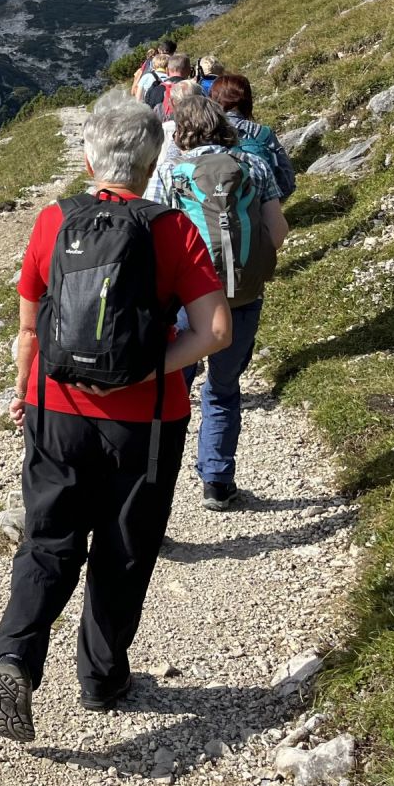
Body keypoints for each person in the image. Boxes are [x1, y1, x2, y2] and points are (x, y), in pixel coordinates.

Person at [0, 91, 231, 742]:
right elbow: (215, 331)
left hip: (54, 408)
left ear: (89, 159)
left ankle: (16, 658)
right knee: (124, 548)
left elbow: (29, 328)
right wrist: (147, 370)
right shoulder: (172, 229)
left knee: (49, 540)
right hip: (145, 422)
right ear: (152, 164)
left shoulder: (53, 222)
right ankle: (101, 679)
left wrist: (24, 391)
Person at [152, 95, 289, 509]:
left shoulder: (172, 172)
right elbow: (278, 231)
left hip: (188, 300)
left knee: (173, 388)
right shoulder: (255, 166)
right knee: (223, 389)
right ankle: (217, 482)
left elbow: (155, 237)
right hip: (244, 294)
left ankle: (156, 480)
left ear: (181, 131)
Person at [209, 72, 296, 201]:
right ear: (246, 100)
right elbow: (286, 177)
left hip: (215, 206)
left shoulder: (206, 134)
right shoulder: (262, 133)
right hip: (261, 205)